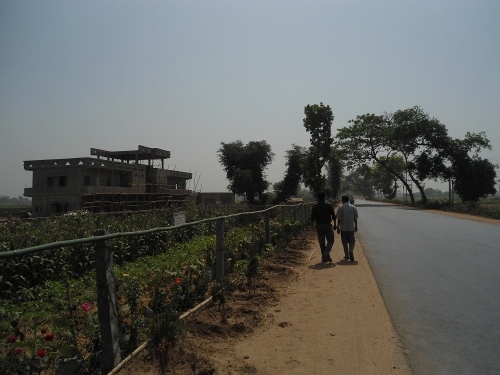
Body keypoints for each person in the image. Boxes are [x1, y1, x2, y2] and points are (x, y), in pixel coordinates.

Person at [310, 192, 337, 263]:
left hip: (319, 226)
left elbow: (312, 218)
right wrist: (334, 225)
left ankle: (324, 257)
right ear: (324, 197)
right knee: (331, 240)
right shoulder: (328, 205)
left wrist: (312, 226)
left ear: (318, 198)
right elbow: (334, 216)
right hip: (327, 225)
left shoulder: (315, 206)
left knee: (321, 242)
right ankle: (326, 252)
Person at [336, 194, 359, 262]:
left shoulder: (340, 208)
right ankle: (351, 250)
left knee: (344, 242)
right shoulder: (353, 207)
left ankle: (347, 254)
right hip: (351, 228)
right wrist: (356, 226)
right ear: (348, 200)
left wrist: (338, 227)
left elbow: (339, 219)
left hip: (343, 228)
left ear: (343, 200)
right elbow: (355, 219)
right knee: (352, 241)